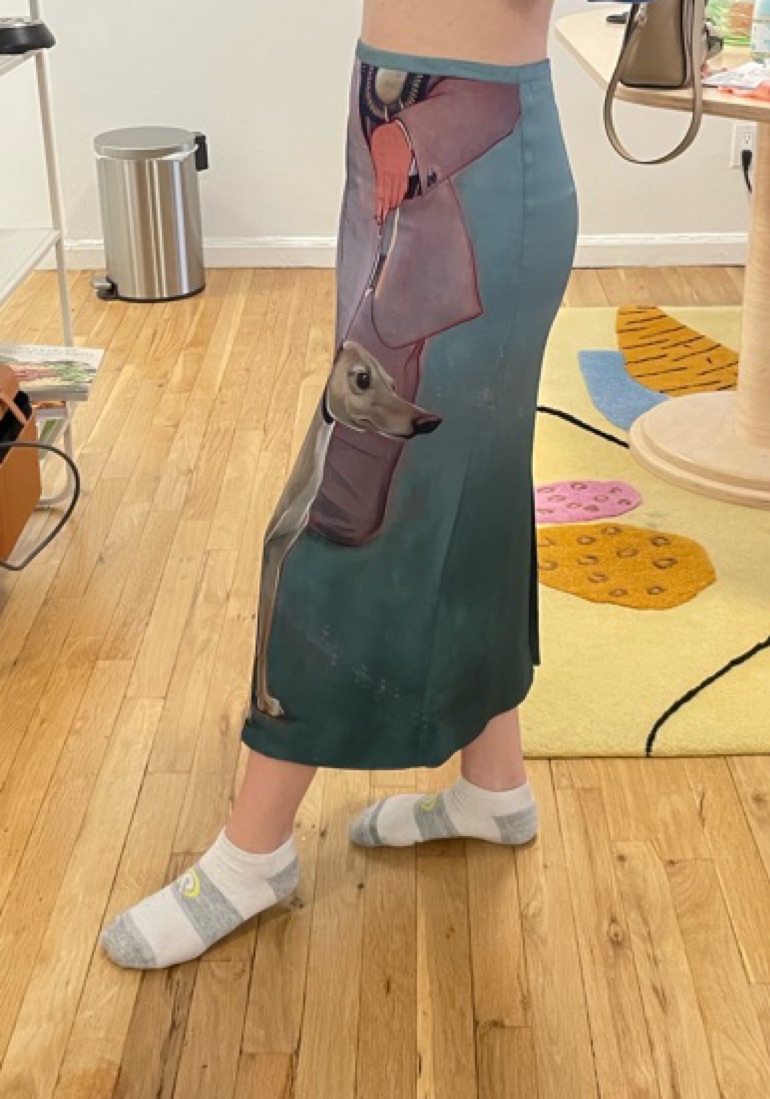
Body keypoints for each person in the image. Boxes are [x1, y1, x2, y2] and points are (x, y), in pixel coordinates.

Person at [102, 0, 578, 969]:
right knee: (470, 498)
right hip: (393, 133)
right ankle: (494, 784)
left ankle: (254, 851)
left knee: (351, 511)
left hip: (470, 159)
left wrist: (415, 138)